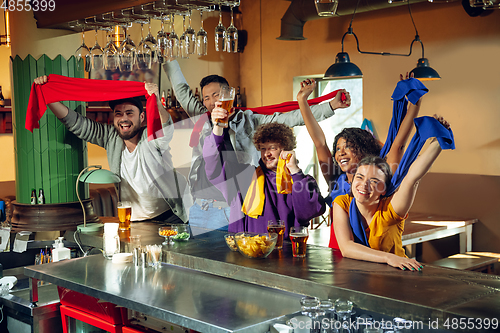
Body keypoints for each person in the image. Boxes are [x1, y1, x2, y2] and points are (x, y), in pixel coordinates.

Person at [163, 59, 350, 232]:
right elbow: (182, 92)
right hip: (202, 206)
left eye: (216, 95)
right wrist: (170, 59)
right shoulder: (204, 117)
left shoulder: (251, 121)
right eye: (206, 98)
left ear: (230, 94)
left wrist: (331, 105)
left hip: (236, 204)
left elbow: (291, 117)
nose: (212, 102)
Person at [33, 75, 191, 224]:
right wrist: (47, 94)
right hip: (134, 220)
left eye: (130, 113)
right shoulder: (111, 138)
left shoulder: (150, 137)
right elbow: (77, 124)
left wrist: (156, 101)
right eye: (118, 114)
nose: (124, 119)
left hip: (170, 216)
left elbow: (165, 126)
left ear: (142, 117)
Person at [297, 75, 425, 249]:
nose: (341, 152)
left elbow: (398, 145)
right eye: (338, 148)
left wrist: (415, 104)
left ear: (364, 151)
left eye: (348, 147)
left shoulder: (381, 178)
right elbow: (319, 142)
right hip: (339, 257)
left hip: (376, 257)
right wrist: (302, 100)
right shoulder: (336, 180)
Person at [332, 115, 451, 270]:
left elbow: (412, 178)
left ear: (383, 190)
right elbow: (347, 248)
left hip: (396, 275)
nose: (364, 185)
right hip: (359, 278)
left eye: (374, 181)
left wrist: (439, 139)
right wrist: (389, 258)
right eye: (360, 177)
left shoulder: (390, 210)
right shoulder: (342, 203)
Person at [203, 115, 325, 235]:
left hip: (285, 252)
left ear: (286, 148)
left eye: (272, 148)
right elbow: (214, 166)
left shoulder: (300, 180)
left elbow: (310, 212)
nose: (266, 154)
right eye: (262, 149)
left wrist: (294, 171)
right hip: (247, 249)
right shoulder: (245, 176)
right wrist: (218, 128)